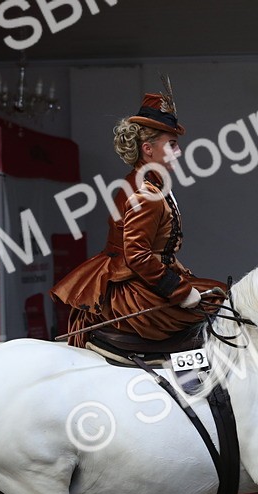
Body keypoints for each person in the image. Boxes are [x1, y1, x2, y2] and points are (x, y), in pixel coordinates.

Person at [51, 84, 225, 348]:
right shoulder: (146, 194)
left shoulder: (147, 183)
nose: (178, 152)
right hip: (132, 290)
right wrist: (179, 290)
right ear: (148, 149)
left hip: (136, 278)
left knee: (217, 294)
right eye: (172, 145)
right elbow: (138, 256)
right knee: (220, 306)